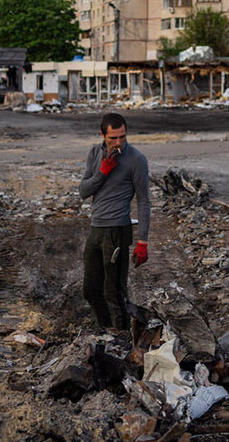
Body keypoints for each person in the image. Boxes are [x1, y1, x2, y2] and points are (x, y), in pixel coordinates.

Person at [78, 112, 150, 330]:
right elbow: (83, 191)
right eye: (113, 138)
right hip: (96, 229)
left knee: (115, 293)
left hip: (117, 230)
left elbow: (144, 201)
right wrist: (102, 172)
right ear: (102, 135)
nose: (119, 143)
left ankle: (122, 339)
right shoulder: (94, 153)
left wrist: (142, 242)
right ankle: (107, 330)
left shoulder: (136, 159)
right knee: (91, 290)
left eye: (123, 137)